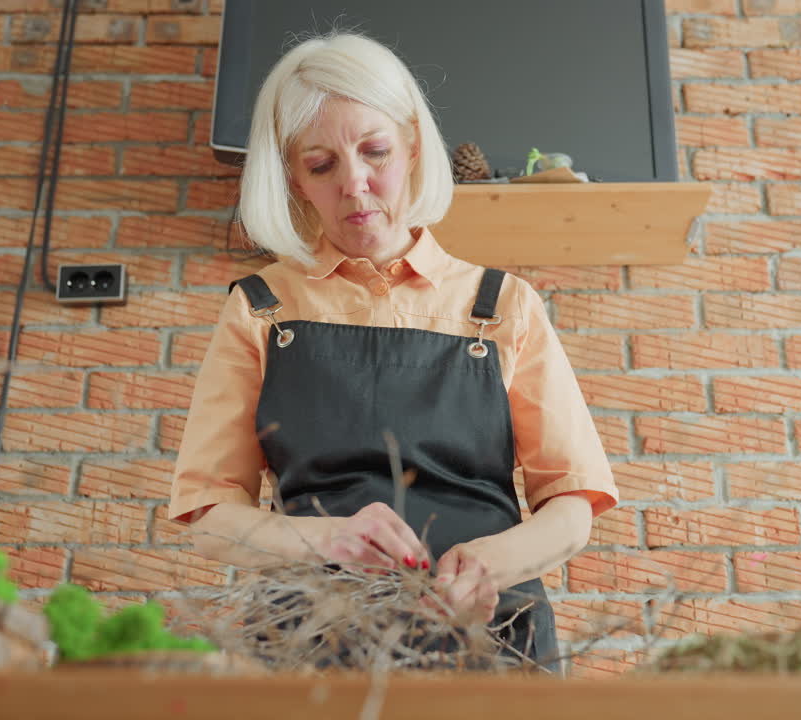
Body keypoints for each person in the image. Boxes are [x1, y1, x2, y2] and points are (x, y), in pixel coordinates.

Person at [168, 31, 618, 671]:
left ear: (412, 146)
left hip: (491, 638)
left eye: (374, 151)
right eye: (321, 165)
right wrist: (329, 538)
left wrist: (489, 562)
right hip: (307, 644)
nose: (354, 184)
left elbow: (572, 509)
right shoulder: (261, 308)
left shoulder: (502, 305)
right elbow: (213, 518)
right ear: (294, 179)